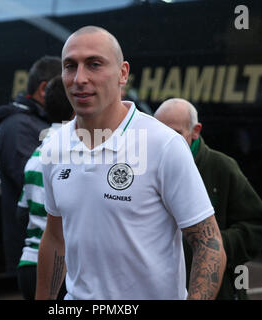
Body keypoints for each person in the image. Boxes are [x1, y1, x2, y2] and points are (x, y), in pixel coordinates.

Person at [35, 26, 226, 300]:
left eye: (94, 64)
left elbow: (209, 243)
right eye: (70, 66)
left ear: (123, 73)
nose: (79, 78)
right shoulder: (54, 146)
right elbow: (55, 239)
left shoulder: (163, 144)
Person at [154, 98, 262, 300]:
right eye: (159, 133)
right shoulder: (144, 169)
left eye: (176, 134)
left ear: (196, 131)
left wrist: (212, 245)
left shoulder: (221, 167)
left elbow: (256, 226)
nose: (165, 142)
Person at [0, 56, 61, 276]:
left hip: (46, 248)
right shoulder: (20, 126)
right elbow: (34, 184)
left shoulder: (34, 122)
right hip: (33, 251)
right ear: (44, 89)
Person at [17, 76, 73, 300]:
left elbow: (22, 212)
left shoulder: (37, 154)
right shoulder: (74, 153)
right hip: (60, 269)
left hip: (29, 264)